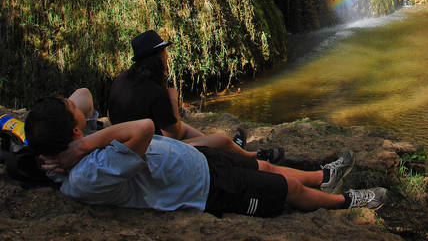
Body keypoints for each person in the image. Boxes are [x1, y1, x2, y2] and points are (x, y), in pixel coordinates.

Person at [25, 97, 388, 216]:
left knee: (261, 163)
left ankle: (324, 177)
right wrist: (86, 146)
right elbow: (145, 128)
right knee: (282, 188)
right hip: (208, 190)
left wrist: (74, 138)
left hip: (196, 162)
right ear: (75, 133)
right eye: (72, 110)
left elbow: (84, 94)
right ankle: (346, 202)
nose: (78, 105)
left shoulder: (68, 148)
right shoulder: (86, 171)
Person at [108, 30, 282, 162]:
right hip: (150, 152)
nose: (167, 56)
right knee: (220, 140)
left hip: (124, 141)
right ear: (157, 57)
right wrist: (172, 100)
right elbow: (173, 134)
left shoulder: (121, 79)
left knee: (187, 129)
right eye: (164, 52)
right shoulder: (155, 91)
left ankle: (232, 150)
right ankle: (250, 157)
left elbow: (110, 115)